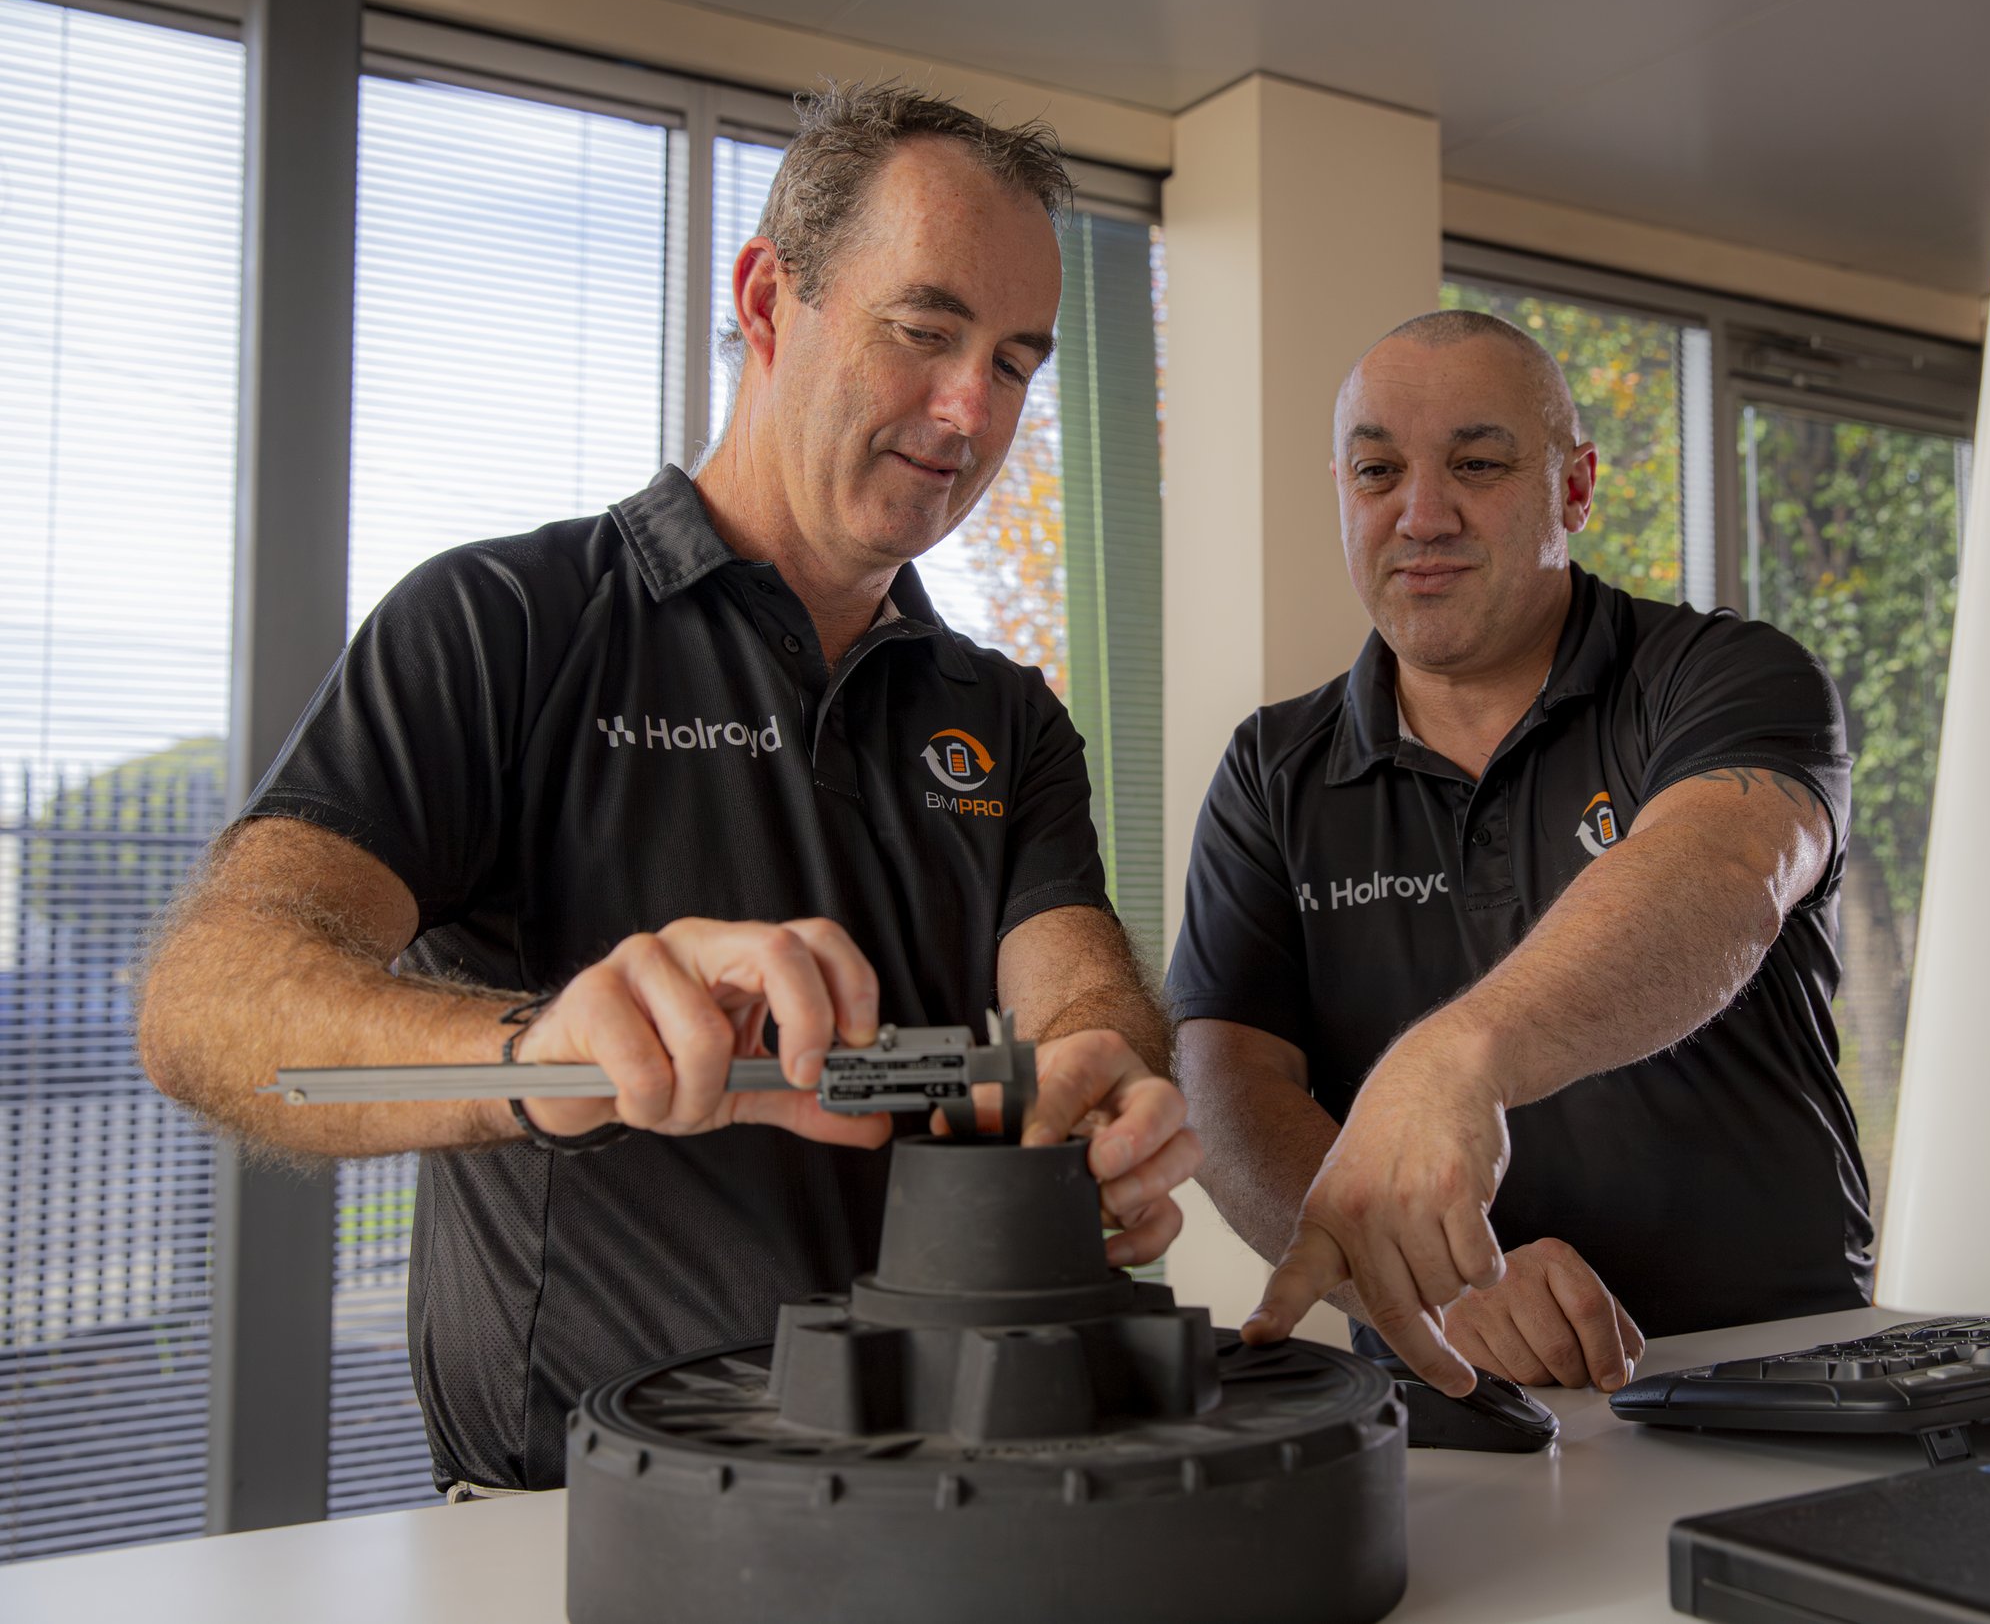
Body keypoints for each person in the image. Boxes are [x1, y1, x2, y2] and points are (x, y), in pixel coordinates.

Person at [138, 83, 1198, 1493]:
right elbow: (209, 1007)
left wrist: (1105, 1076)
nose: (969, 410)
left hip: (949, 1504)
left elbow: (1079, 995)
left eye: (1013, 361)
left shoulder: (1000, 713)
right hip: (577, 1523)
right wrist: (548, 1053)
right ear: (770, 300)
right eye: (924, 330)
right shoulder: (499, 625)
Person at [1168, 310, 1869, 1400]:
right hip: (1451, 1402)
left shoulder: (1724, 676)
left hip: (1779, 1376)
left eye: (1478, 463)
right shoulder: (1274, 769)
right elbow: (1225, 1085)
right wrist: (1430, 1282)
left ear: (1574, 488)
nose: (1422, 512)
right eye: (1378, 471)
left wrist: (1454, 1056)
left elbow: (1721, 871)